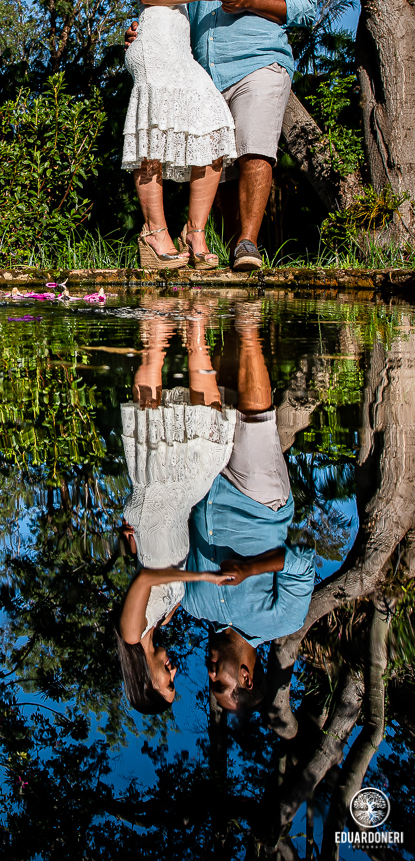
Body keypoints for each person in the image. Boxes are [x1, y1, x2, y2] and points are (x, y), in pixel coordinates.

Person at [124, 0, 316, 272]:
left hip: (258, 63)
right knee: (219, 155)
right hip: (203, 67)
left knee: (254, 149)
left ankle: (247, 243)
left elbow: (304, 8)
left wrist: (253, 1)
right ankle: (204, 241)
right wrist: (145, 26)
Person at [181, 300, 315, 712]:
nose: (208, 673)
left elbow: (166, 553)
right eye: (217, 684)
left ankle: (210, 308)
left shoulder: (191, 605)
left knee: (216, 394)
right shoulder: (283, 622)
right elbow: (302, 563)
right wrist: (251, 569)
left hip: (205, 486)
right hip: (259, 501)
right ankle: (248, 321)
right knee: (256, 415)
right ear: (245, 677)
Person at [117, 0, 237, 272]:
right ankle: (155, 233)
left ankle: (195, 232)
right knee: (152, 138)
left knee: (213, 121)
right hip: (153, 44)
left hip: (179, 47)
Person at [117, 302, 237, 713]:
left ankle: (158, 333)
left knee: (157, 426)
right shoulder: (163, 619)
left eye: (166, 684)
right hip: (174, 509)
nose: (172, 674)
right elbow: (144, 567)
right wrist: (132, 547)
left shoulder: (132, 633)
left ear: (146, 684)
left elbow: (147, 576)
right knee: (206, 439)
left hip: (158, 508)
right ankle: (195, 331)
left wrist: (201, 574)